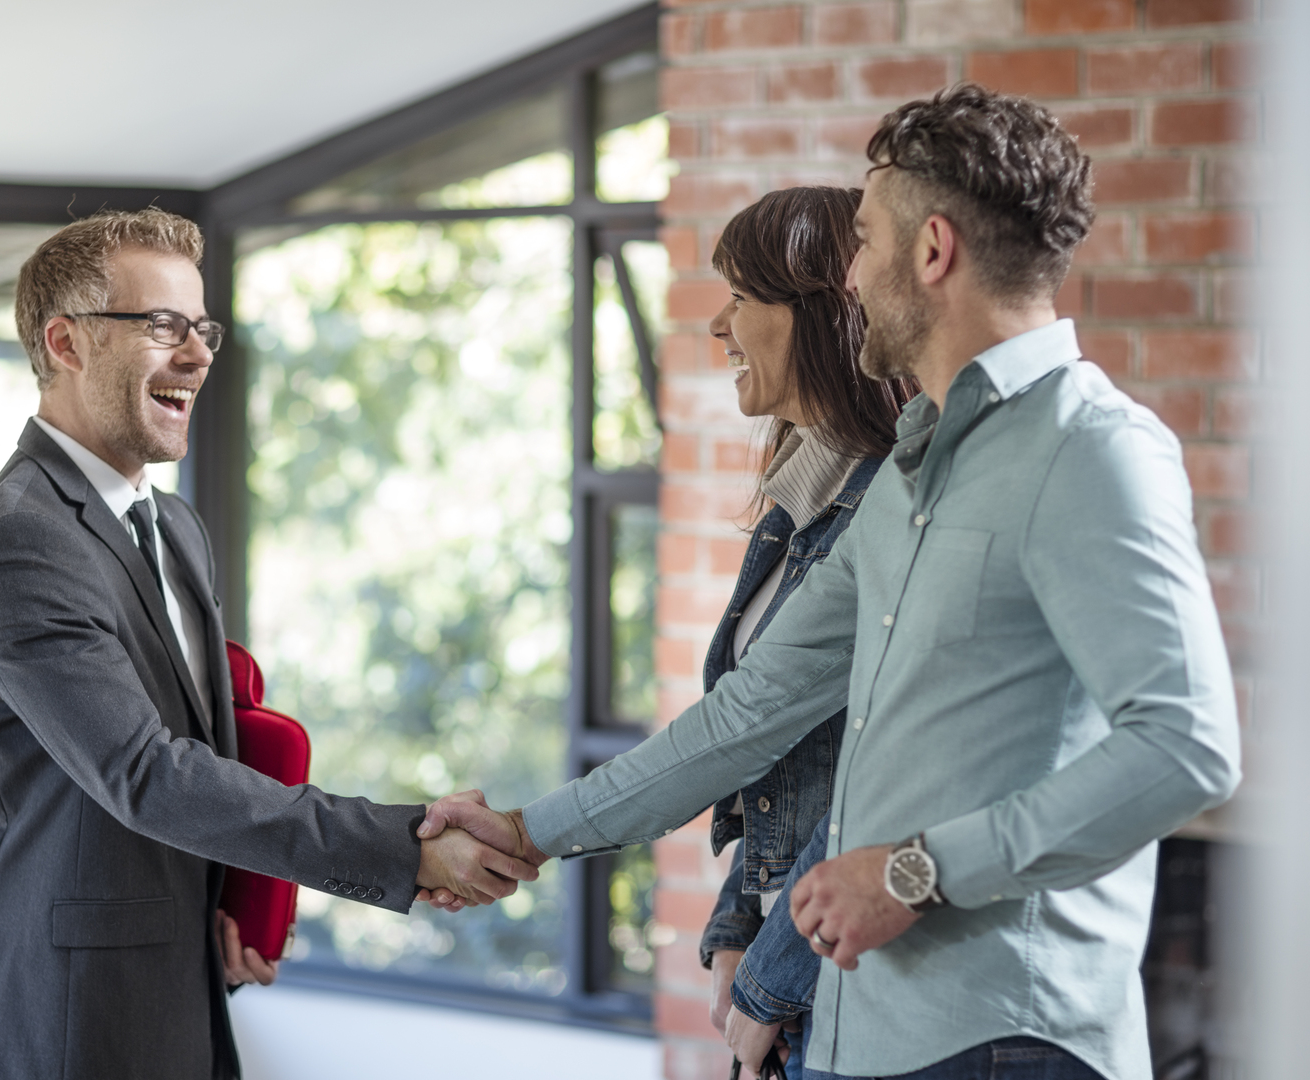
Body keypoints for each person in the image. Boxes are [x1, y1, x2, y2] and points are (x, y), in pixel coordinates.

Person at [421, 84, 1240, 1080]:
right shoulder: (909, 472)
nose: (848, 277)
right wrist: (526, 831)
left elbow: (1186, 749)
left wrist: (914, 871)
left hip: (1005, 1043)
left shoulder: (1092, 450)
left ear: (931, 252)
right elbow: (747, 714)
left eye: (861, 242)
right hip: (865, 1035)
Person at [0, 208, 533, 1080]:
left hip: (177, 978)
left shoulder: (173, 527)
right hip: (64, 1010)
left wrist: (227, 898)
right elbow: (147, 774)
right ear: (65, 343)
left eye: (202, 327)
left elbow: (197, 753)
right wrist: (403, 844)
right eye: (162, 326)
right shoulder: (23, 543)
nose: (199, 353)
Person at [677, 187, 915, 1080]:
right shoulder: (798, 501)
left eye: (741, 297)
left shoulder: (887, 509)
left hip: (844, 977)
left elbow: (879, 785)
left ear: (818, 318)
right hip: (790, 974)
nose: (718, 325)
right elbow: (762, 747)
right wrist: (736, 928)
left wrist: (771, 980)